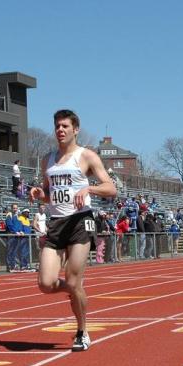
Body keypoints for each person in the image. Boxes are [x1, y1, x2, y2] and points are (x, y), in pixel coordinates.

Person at [29, 109, 117, 352]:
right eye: (57, 126)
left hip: (80, 221)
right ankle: (75, 290)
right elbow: (48, 194)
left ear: (75, 129)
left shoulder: (86, 156)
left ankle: (82, 330)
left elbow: (111, 189)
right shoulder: (48, 159)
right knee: (45, 284)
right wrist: (40, 194)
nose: (60, 130)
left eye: (65, 126)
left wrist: (89, 190)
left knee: (73, 278)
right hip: (56, 223)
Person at [5, 203, 23, 271]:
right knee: (10, 251)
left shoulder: (18, 215)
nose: (15, 209)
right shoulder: (9, 215)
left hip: (16, 235)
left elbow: (20, 224)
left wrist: (21, 230)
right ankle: (9, 266)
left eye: (16, 208)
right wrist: (15, 232)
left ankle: (13, 265)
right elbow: (9, 225)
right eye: (14, 208)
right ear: (11, 208)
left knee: (14, 251)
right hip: (11, 235)